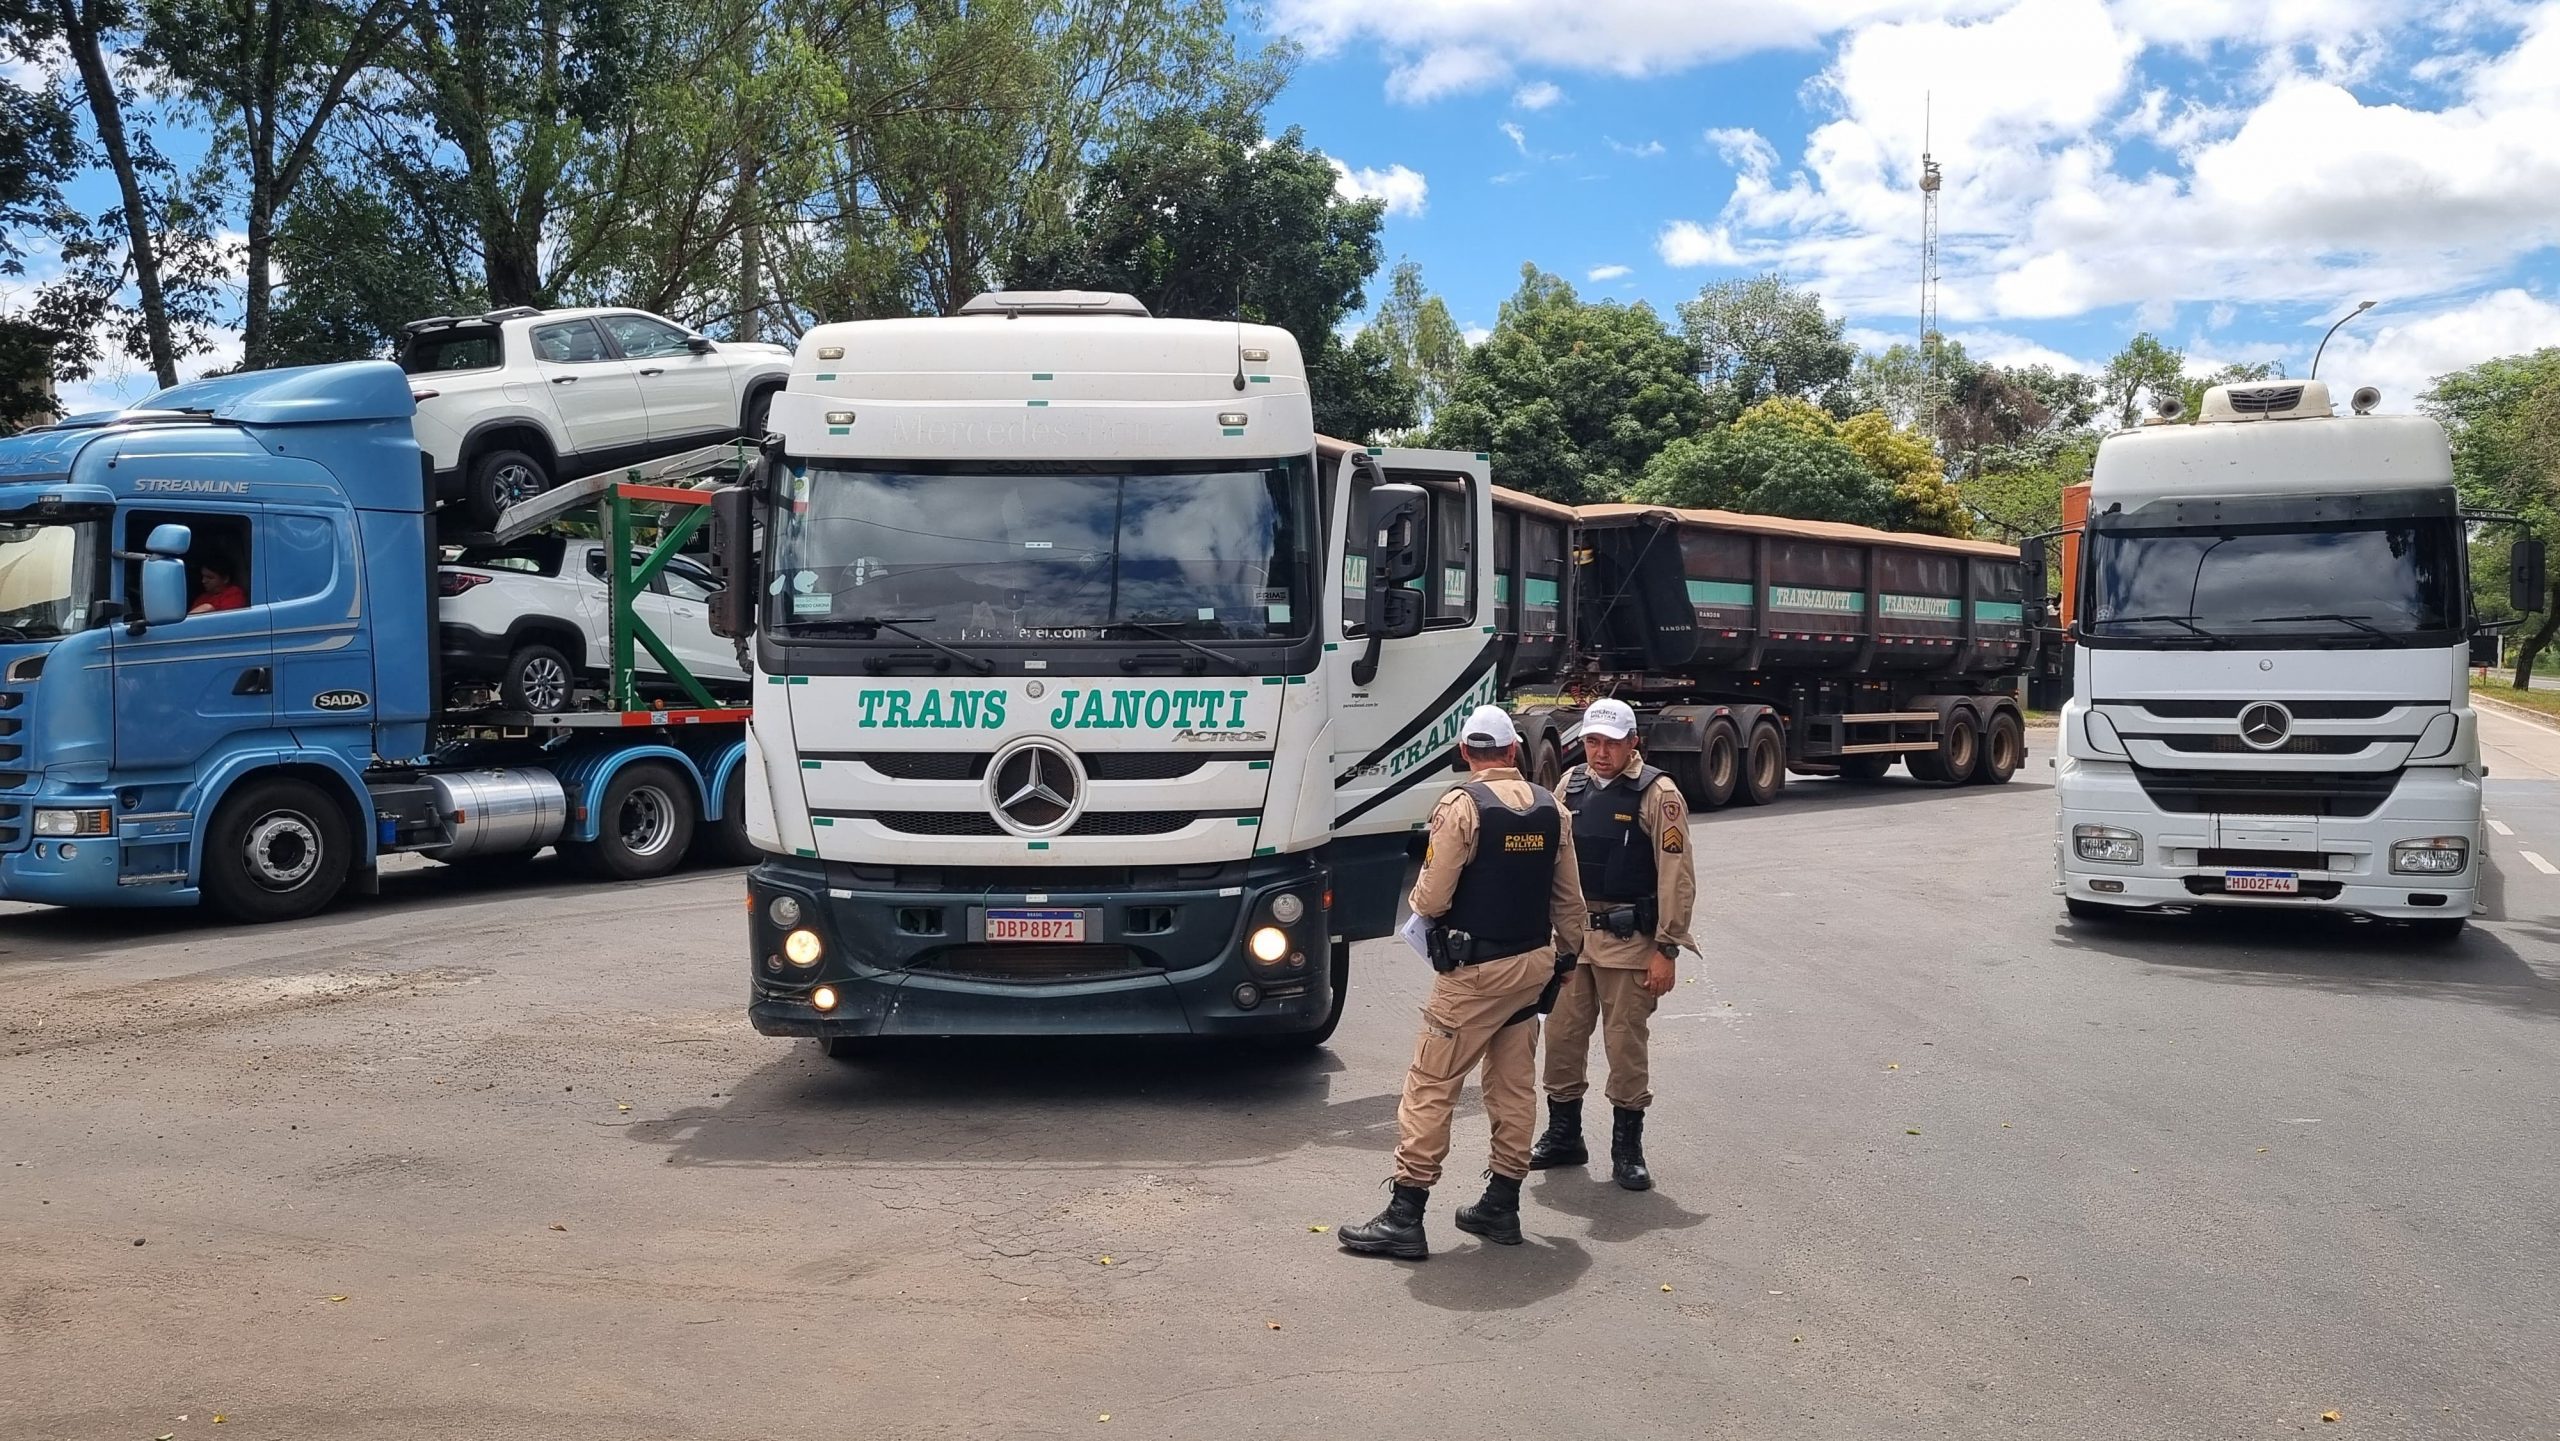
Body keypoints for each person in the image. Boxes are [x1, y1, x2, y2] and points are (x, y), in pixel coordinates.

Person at [1338, 705, 1587, 1260]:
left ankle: (1405, 1214)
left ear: (1465, 753)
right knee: (1514, 1086)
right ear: (1514, 752)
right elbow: (1570, 901)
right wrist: (1567, 962)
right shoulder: (1553, 809)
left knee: (1431, 1085)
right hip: (1531, 968)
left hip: (1473, 976)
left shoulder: (1461, 806)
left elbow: (1429, 899)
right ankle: (1502, 1203)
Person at [1530, 697, 1697, 1191]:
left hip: (1630, 943)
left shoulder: (1659, 794)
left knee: (1625, 1045)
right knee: (1560, 1040)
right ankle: (1564, 1136)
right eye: (1592, 742)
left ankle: (1627, 1148)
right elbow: (1557, 864)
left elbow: (1676, 877)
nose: (1600, 753)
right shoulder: (1571, 785)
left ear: (1632, 743)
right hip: (1575, 939)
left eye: (1611, 743)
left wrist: (1666, 948)